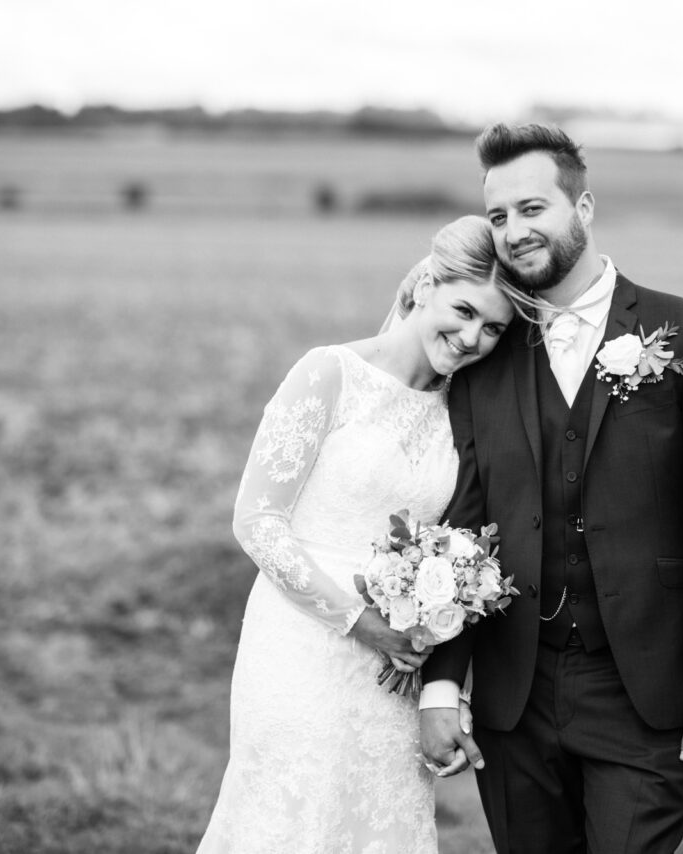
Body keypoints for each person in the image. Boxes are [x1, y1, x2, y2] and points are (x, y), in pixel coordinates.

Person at [418, 124, 683, 852]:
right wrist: (444, 683)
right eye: (500, 216)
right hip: (515, 696)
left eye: (533, 208)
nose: (514, 232)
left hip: (644, 694)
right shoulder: (487, 352)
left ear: (584, 207)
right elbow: (465, 528)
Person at [196, 215, 518, 854]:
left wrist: (427, 633)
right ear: (426, 285)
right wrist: (357, 621)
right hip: (301, 644)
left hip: (395, 666)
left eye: (493, 329)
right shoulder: (329, 373)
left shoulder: (466, 411)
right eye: (463, 310)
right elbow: (256, 520)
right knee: (294, 821)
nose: (472, 337)